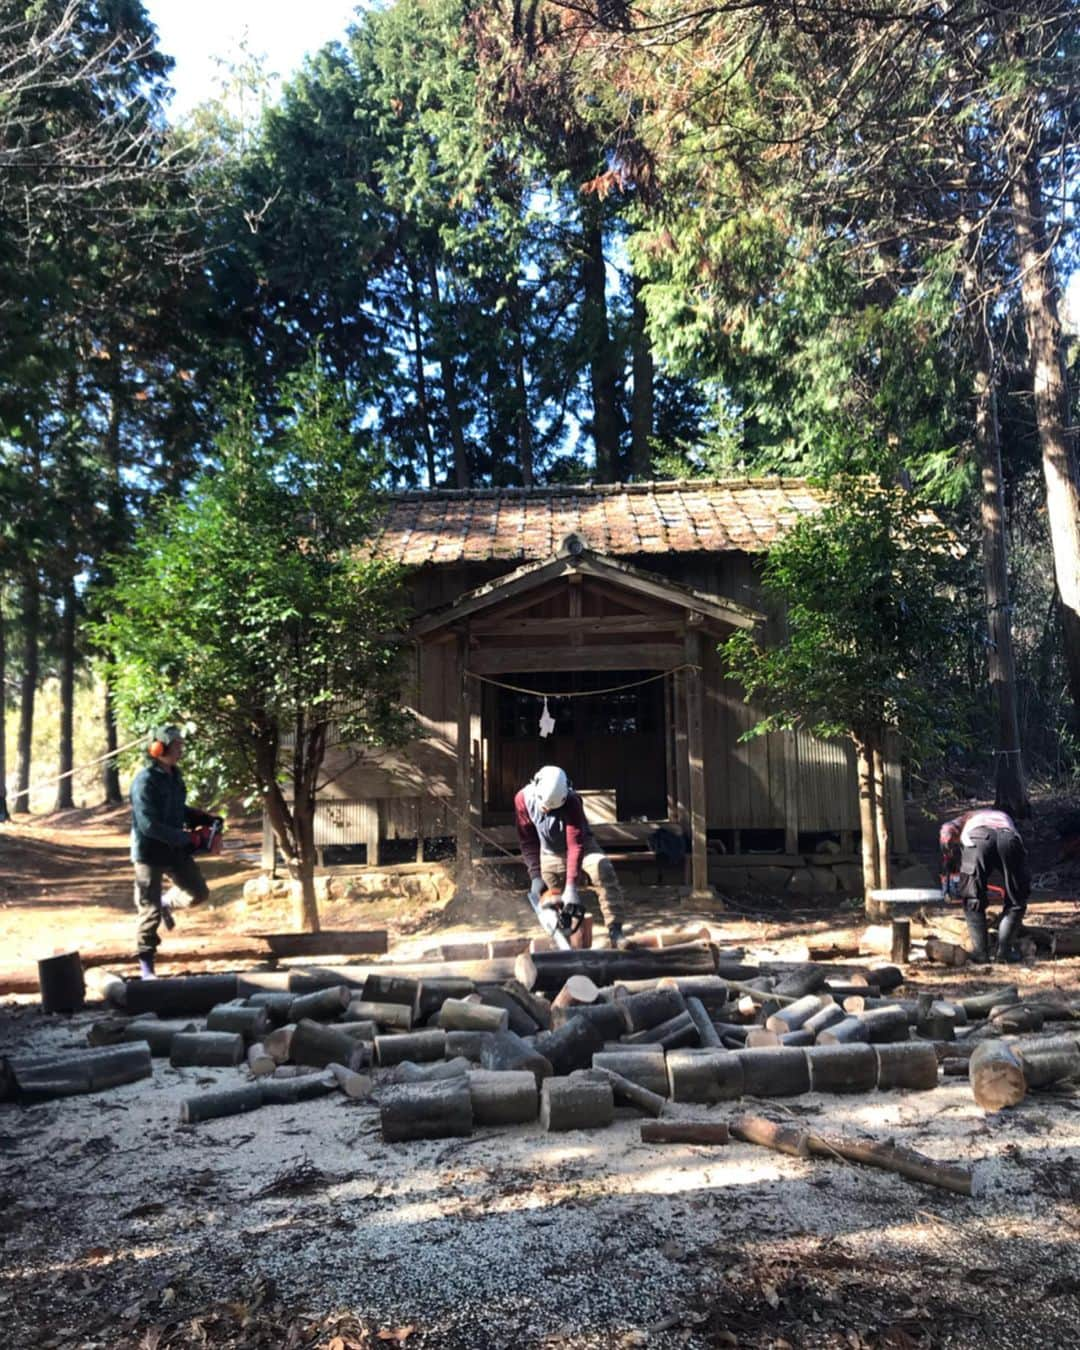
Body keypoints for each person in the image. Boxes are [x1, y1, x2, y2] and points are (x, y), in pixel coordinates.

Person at [130, 725, 220, 978]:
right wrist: (187, 838)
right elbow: (148, 825)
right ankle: (147, 967)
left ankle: (167, 901)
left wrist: (202, 819)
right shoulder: (144, 782)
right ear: (159, 749)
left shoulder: (175, 776)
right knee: (149, 912)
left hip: (174, 849)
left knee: (198, 893)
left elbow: (177, 810)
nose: (181, 750)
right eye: (177, 746)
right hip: (149, 853)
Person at [514, 765, 626, 946]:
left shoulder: (573, 801)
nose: (547, 812)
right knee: (552, 898)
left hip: (583, 846)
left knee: (602, 868)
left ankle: (616, 931)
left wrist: (572, 886)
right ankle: (564, 942)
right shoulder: (522, 799)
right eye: (544, 806)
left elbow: (575, 845)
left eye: (553, 808)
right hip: (549, 851)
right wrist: (535, 876)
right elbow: (528, 841)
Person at [939, 807, 1031, 964]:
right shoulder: (1003, 816)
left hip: (977, 840)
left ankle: (981, 954)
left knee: (973, 899)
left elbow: (946, 832)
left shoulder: (964, 819)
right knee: (1017, 900)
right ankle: (1005, 953)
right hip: (1009, 839)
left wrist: (948, 859)